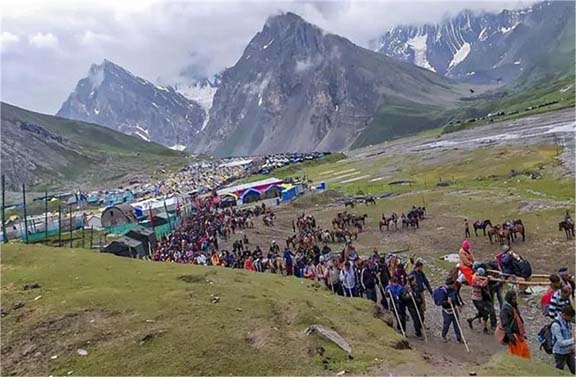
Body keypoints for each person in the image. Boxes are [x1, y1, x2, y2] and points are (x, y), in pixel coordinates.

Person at [500, 290, 531, 359]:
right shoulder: (505, 309)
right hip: (513, 334)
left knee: (524, 351)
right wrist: (510, 337)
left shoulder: (513, 306)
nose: (515, 300)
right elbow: (505, 324)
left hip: (518, 333)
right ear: (509, 299)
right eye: (513, 299)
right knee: (517, 353)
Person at [439, 277, 463, 343]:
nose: (453, 285)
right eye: (452, 284)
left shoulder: (454, 290)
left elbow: (456, 299)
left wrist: (459, 306)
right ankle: (443, 336)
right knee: (446, 324)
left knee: (457, 324)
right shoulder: (443, 291)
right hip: (446, 311)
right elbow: (441, 302)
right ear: (449, 284)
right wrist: (447, 302)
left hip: (454, 310)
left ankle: (459, 338)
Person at [551, 305, 575, 374]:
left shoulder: (567, 322)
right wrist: (573, 340)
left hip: (569, 351)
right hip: (559, 353)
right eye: (570, 317)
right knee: (559, 371)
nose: (571, 319)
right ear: (564, 315)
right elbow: (560, 343)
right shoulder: (556, 325)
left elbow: (569, 333)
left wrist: (572, 346)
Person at [467, 267, 491, 333]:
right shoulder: (475, 279)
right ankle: (485, 329)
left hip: (479, 298)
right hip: (476, 299)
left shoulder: (475, 276)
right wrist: (487, 279)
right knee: (485, 313)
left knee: (481, 312)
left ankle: (471, 319)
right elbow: (482, 284)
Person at [400, 274, 424, 339]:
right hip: (411, 306)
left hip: (418, 304)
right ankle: (418, 333)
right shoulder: (406, 288)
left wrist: (421, 302)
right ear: (411, 281)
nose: (415, 281)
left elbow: (418, 294)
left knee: (421, 317)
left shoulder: (416, 286)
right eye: (414, 280)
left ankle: (419, 328)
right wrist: (408, 296)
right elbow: (403, 297)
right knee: (416, 319)